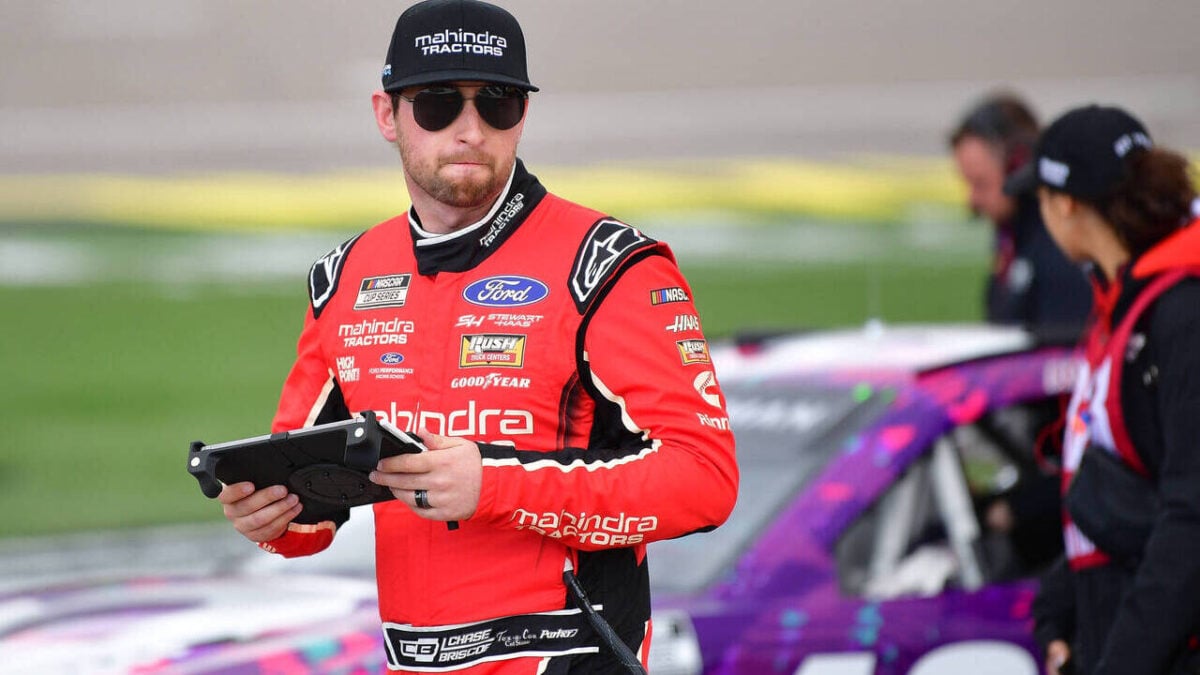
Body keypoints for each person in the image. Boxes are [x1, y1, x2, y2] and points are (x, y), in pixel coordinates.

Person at [214, 1, 739, 673]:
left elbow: (704, 480)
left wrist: (493, 483)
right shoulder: (345, 279)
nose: (470, 130)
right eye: (438, 104)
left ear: (523, 114)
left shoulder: (611, 267)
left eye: (497, 102)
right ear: (386, 115)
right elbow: (309, 502)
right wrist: (269, 516)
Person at [1012, 104, 1200, 675]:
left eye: (1041, 198)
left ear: (1066, 204)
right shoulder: (1124, 303)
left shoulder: (1180, 313)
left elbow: (1189, 517)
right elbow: (1118, 495)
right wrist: (1064, 607)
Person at [949, 92, 1092, 339]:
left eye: (981, 184)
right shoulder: (1011, 235)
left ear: (1018, 166)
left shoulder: (1060, 250)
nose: (972, 200)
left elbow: (1063, 352)